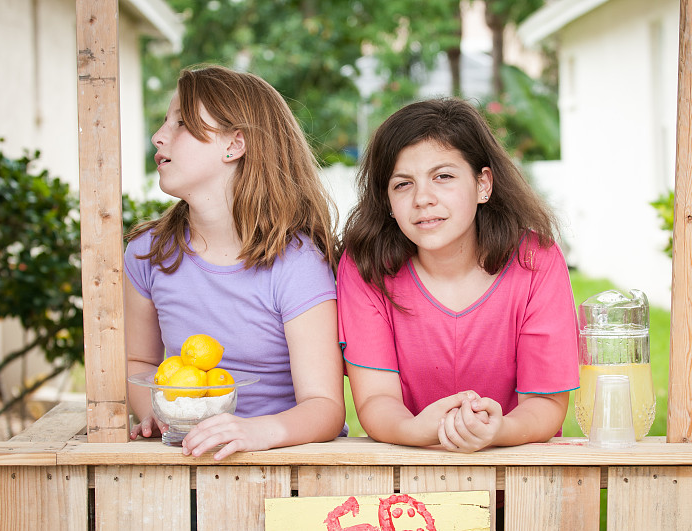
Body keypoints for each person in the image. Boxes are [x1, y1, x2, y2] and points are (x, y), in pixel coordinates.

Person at [124, 65, 346, 460]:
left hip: (284, 467)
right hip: (187, 464)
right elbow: (139, 361)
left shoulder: (296, 264)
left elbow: (325, 407)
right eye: (163, 122)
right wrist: (153, 414)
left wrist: (252, 432)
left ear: (234, 145)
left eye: (182, 123)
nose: (159, 136)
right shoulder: (147, 253)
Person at [337, 98, 579, 453]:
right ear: (386, 199)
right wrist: (419, 430)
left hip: (520, 483)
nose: (423, 198)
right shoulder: (365, 267)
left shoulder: (535, 261)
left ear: (483, 184)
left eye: (443, 177)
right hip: (409, 484)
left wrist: (497, 431)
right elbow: (376, 399)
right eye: (403, 184)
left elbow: (546, 405)